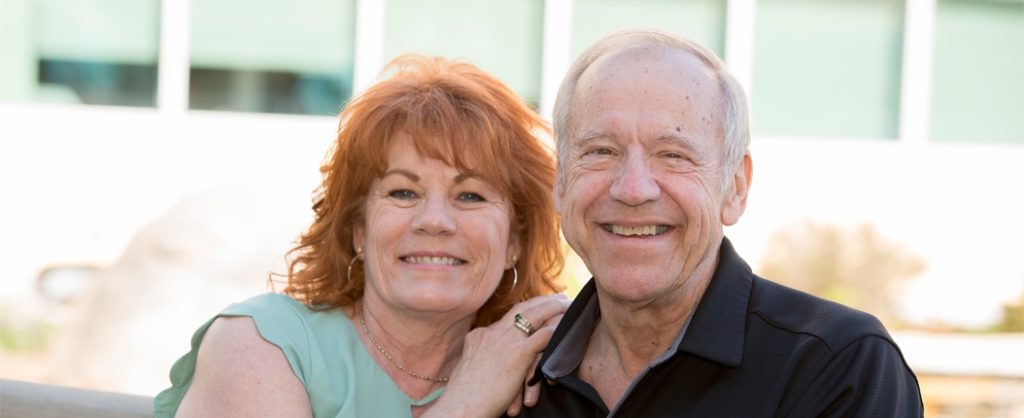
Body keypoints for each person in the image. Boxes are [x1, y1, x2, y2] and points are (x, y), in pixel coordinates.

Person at [519, 29, 924, 417]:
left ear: (735, 187)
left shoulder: (834, 367)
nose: (633, 188)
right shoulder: (516, 374)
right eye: (602, 151)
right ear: (560, 182)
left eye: (673, 155)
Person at [154, 55, 570, 418]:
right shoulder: (262, 343)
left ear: (515, 243)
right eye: (403, 192)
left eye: (470, 195)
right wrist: (466, 403)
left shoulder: (528, 374)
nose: (435, 221)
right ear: (358, 230)